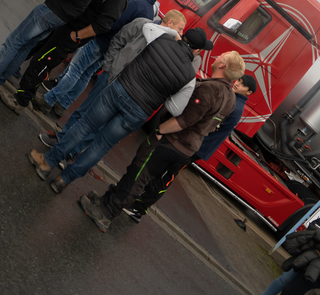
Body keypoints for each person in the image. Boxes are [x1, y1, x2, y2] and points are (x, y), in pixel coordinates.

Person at [28, 12, 197, 194]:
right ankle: (64, 180)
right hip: (140, 110)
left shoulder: (160, 39)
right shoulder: (190, 76)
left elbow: (148, 29)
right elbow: (174, 108)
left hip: (121, 89)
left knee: (85, 125)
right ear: (196, 51)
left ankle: (48, 162)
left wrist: (172, 35)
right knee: (102, 145)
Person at [80, 51, 245, 232]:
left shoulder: (210, 89)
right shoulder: (231, 98)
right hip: (186, 148)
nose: (218, 56)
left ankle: (106, 213)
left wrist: (160, 130)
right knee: (136, 174)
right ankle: (107, 200)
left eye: (223, 56)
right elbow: (213, 126)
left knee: (137, 177)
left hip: (171, 141)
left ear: (222, 65)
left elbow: (185, 121)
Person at [0, 0, 134, 114]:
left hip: (73, 34)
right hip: (68, 24)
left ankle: (21, 101)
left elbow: (103, 25)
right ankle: (11, 80)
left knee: (41, 63)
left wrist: (76, 36)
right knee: (37, 52)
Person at [122, 74, 257, 223]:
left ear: (249, 92)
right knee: (162, 174)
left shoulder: (235, 106)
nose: (237, 84)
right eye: (238, 80)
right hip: (196, 146)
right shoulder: (233, 100)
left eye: (242, 84)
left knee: (164, 176)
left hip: (196, 147)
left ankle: (139, 209)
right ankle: (136, 203)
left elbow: (211, 125)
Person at [33, 0, 170, 118]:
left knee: (75, 69)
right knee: (85, 74)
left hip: (102, 41)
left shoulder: (136, 4)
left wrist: (96, 31)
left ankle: (48, 100)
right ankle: (62, 105)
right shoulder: (148, 12)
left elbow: (115, 21)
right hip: (111, 50)